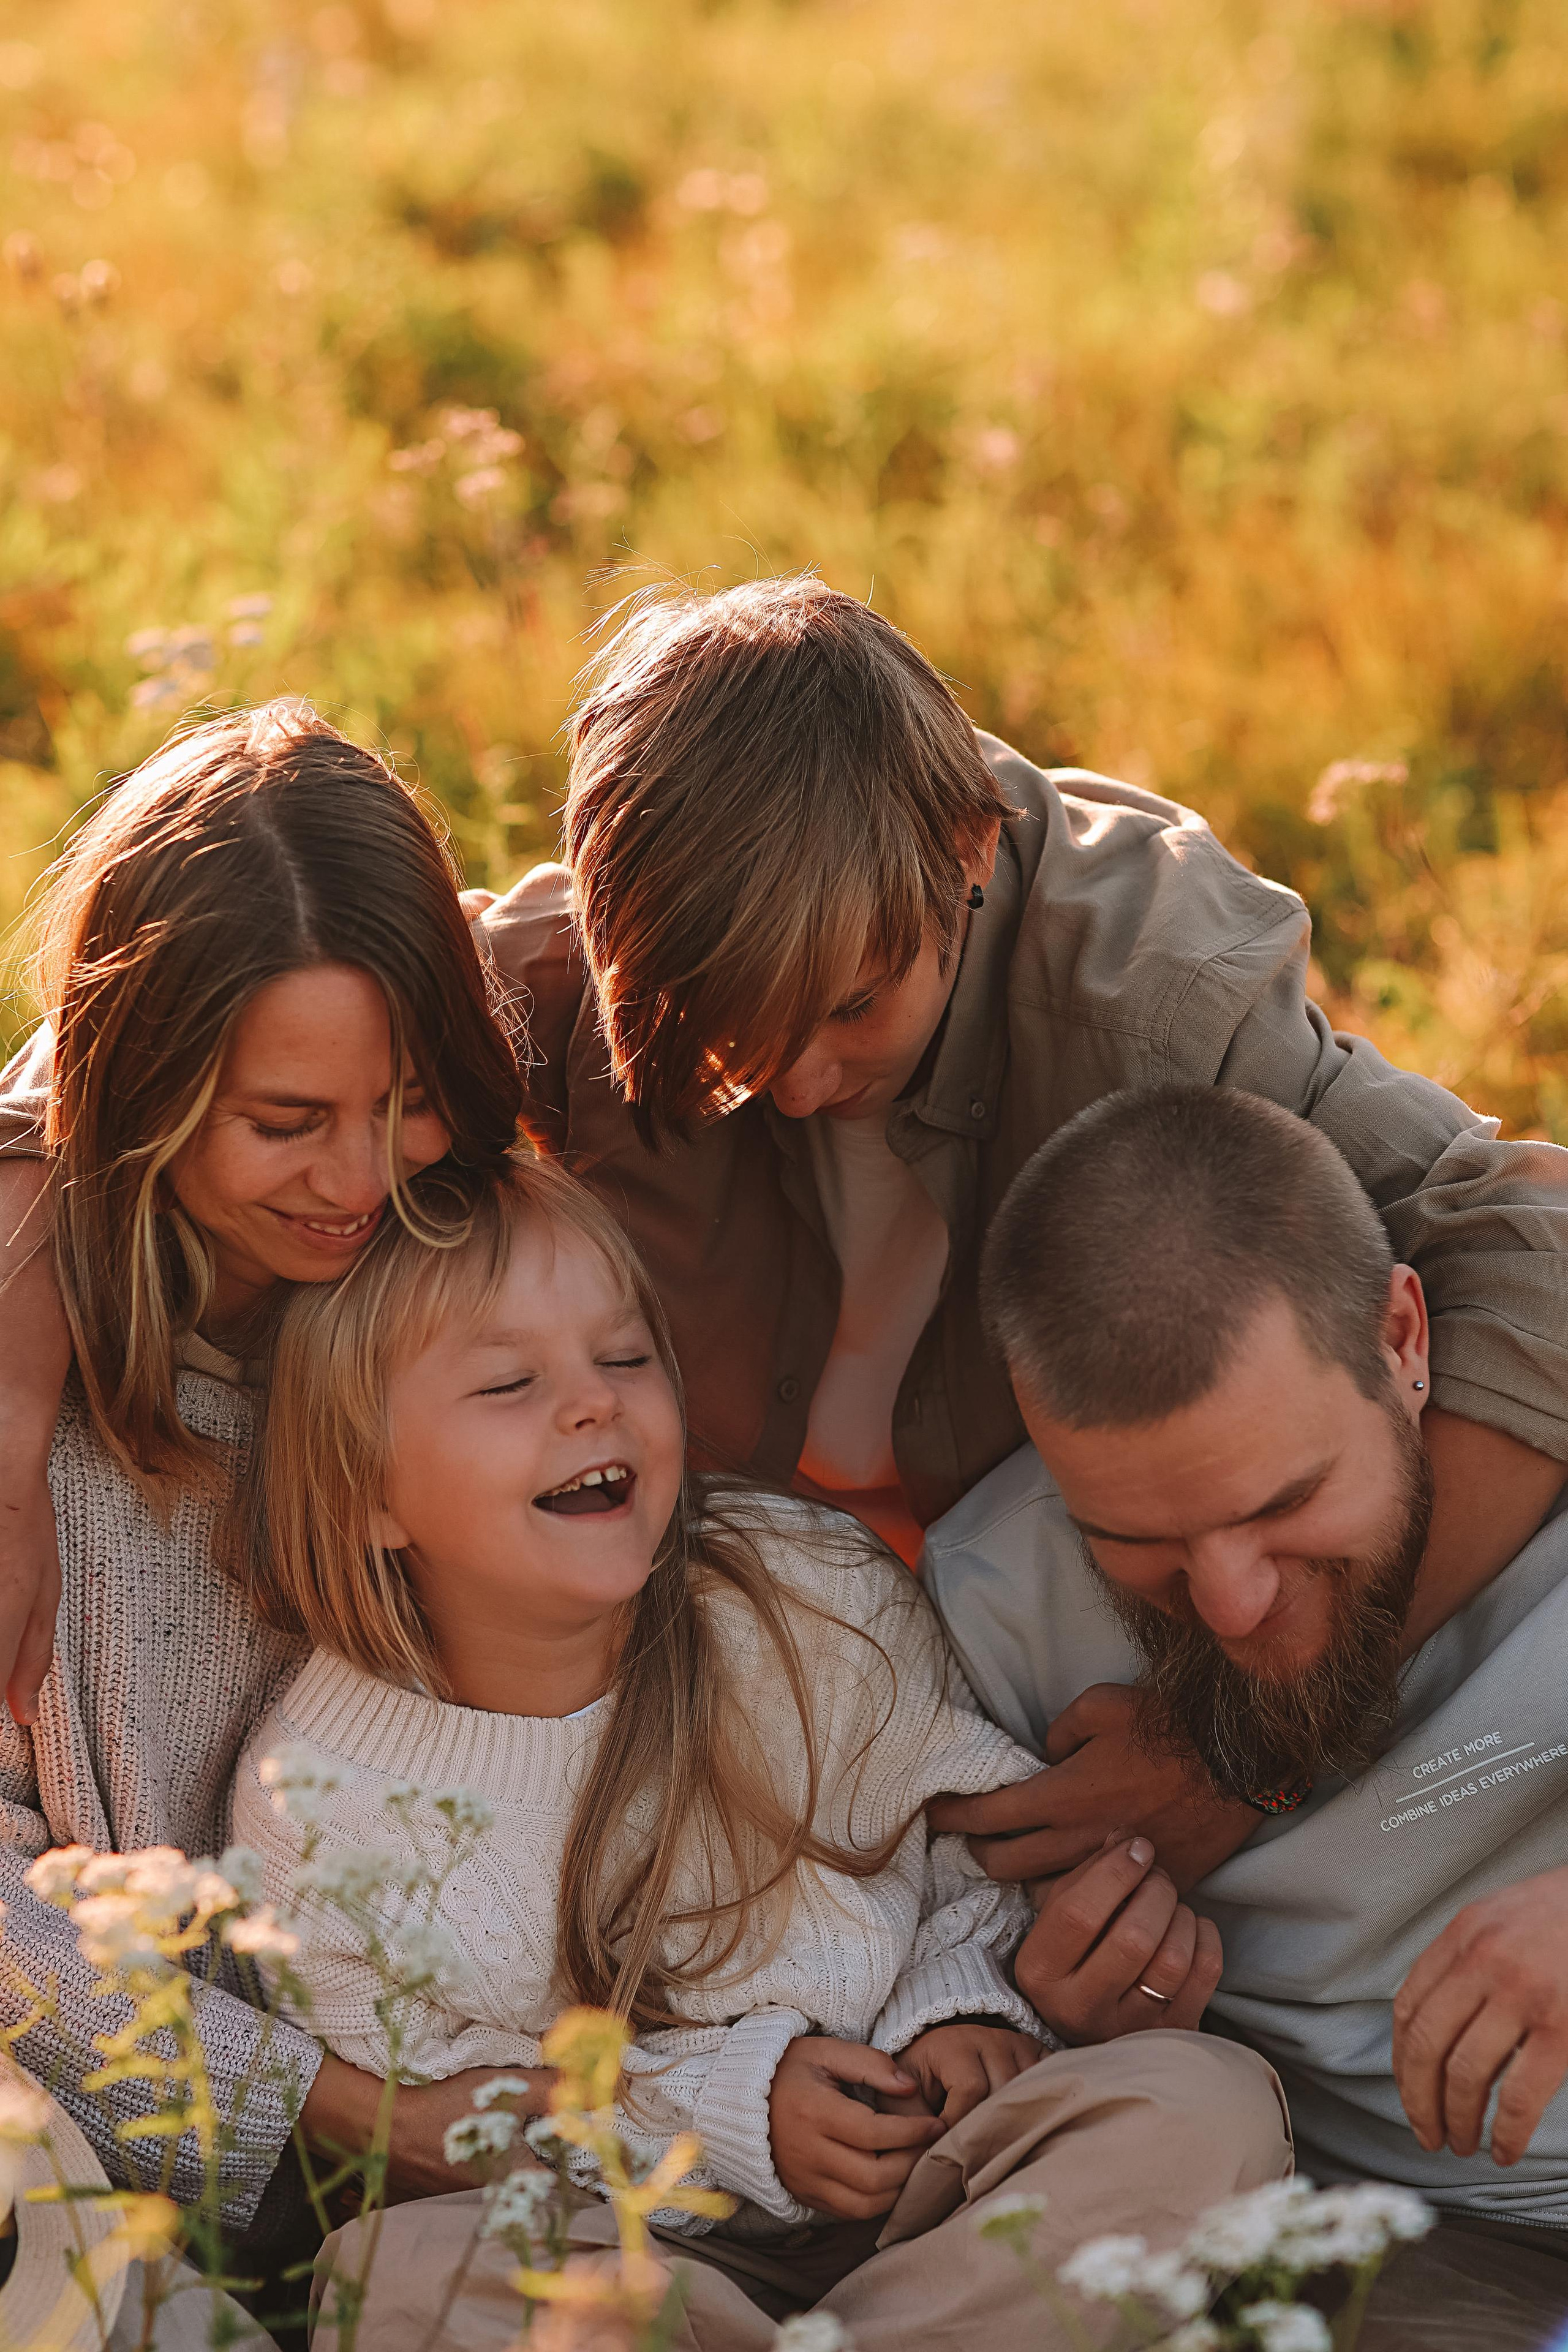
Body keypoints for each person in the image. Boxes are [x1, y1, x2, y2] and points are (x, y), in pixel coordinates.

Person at [232, 1151, 1291, 2351]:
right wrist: (734, 2112)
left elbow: (960, 1856)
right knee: (404, 2277)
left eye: (624, 1356)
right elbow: (467, 2134)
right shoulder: (318, 1804)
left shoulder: (807, 1594)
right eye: (510, 1382)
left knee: (1201, 2104)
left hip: (936, 2208)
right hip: (640, 2248)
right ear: (367, 1491)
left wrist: (953, 2019)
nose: (592, 1402)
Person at [461, 571, 1568, 1605]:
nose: (792, 1086)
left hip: (1090, 1597)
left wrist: (1262, 1729)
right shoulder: (590, 966)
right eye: (724, 1038)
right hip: (712, 1584)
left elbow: (1533, 1245)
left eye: (853, 1009)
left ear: (969, 849)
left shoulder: (1155, 1001)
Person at [926, 1084, 1568, 2351]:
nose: (1228, 1602)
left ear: (1400, 1339)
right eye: (1136, 1540)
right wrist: (1072, 2031)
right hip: (1424, 2245)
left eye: (1286, 1505)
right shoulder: (990, 1603)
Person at [0, 704, 525, 2245]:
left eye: (404, 1102)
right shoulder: (48, 1398)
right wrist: (330, 2114)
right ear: (147, 1088)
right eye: (286, 1124)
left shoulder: (477, 1291)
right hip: (111, 2188)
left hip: (492, 2162)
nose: (359, 1183)